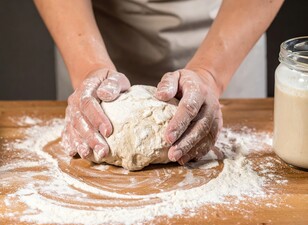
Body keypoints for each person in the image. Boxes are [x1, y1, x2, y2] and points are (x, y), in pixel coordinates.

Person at [34, 0, 284, 165]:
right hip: (92, 29)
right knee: (96, 123)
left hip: (231, 28)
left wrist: (210, 73)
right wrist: (89, 65)